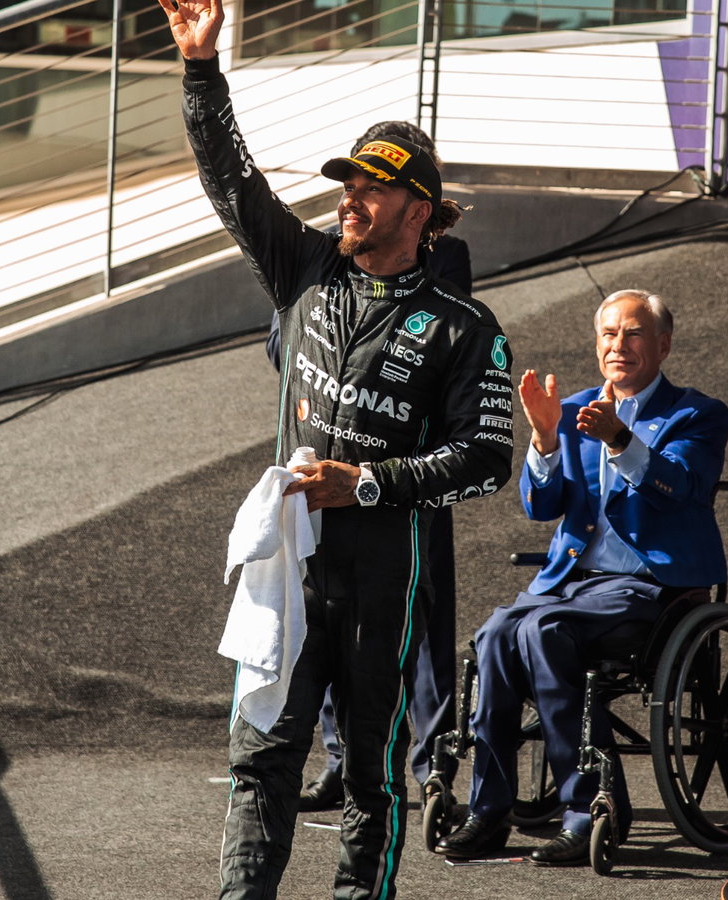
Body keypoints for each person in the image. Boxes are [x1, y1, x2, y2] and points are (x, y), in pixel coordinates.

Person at [157, 0, 514, 897]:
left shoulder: (465, 327)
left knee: (372, 778)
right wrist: (202, 72)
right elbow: (231, 183)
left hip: (382, 577)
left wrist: (368, 484)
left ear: (418, 208)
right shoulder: (306, 271)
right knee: (260, 763)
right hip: (289, 568)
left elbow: (487, 458)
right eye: (345, 183)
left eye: (370, 186)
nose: (348, 198)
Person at [433, 289, 728, 866]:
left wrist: (621, 439)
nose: (619, 345)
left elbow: (683, 488)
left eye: (634, 334)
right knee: (496, 633)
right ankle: (489, 810)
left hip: (652, 589)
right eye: (609, 334)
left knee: (542, 630)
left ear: (663, 344)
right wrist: (545, 440)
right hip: (571, 584)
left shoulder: (697, 414)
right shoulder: (568, 410)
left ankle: (589, 806)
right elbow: (541, 507)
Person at [277, 121, 472, 814]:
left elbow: (433, 360)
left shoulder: (444, 259)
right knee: (328, 623)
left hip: (408, 489)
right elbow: (286, 341)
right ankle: (338, 758)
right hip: (327, 480)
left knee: (418, 628)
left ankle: (431, 764)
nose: (355, 194)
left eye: (376, 178)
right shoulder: (331, 258)